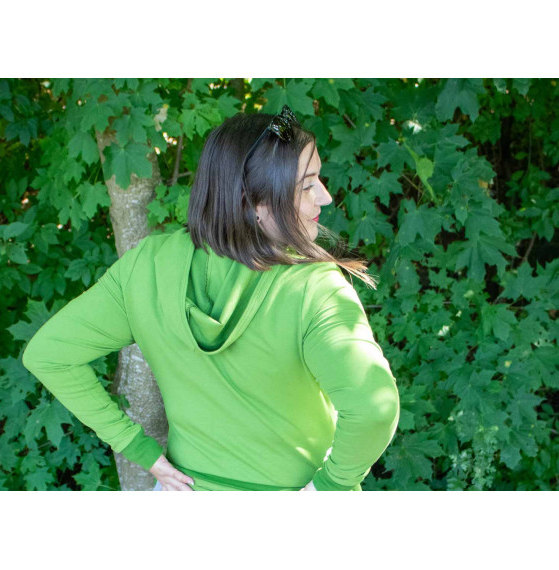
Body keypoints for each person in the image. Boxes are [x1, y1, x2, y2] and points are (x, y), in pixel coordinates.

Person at [22, 105, 400, 491]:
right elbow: (374, 408)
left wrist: (138, 449)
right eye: (306, 186)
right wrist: (332, 487)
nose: (326, 197)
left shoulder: (148, 265)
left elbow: (50, 354)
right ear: (254, 203)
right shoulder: (313, 287)